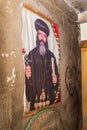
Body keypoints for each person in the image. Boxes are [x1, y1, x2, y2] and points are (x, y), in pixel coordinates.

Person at [25, 19, 59, 111]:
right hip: (36, 100)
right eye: (40, 34)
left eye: (44, 36)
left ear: (47, 39)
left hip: (50, 99)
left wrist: (55, 81)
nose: (42, 38)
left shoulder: (51, 56)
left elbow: (56, 80)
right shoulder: (30, 55)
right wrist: (27, 76)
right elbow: (28, 82)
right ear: (36, 36)